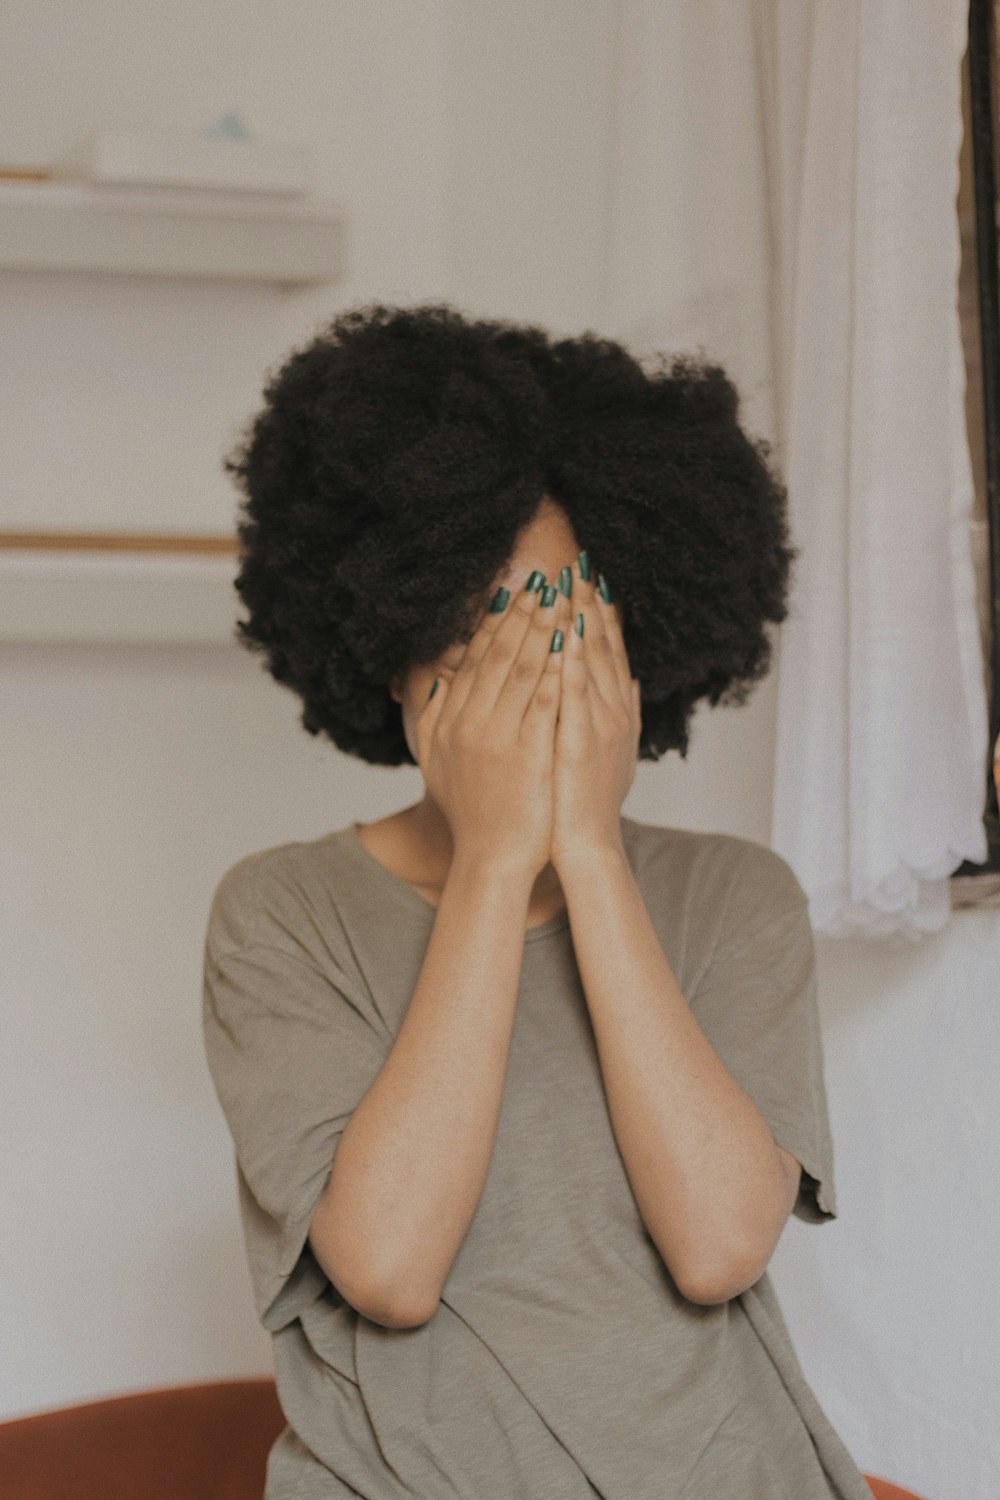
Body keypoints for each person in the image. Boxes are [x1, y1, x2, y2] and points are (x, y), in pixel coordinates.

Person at [201, 302, 875, 1498]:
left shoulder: (734, 898)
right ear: (392, 642)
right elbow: (391, 1270)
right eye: (475, 626)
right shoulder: (283, 911)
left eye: (562, 627)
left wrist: (590, 856)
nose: (521, 674)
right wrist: (497, 861)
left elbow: (719, 1247)